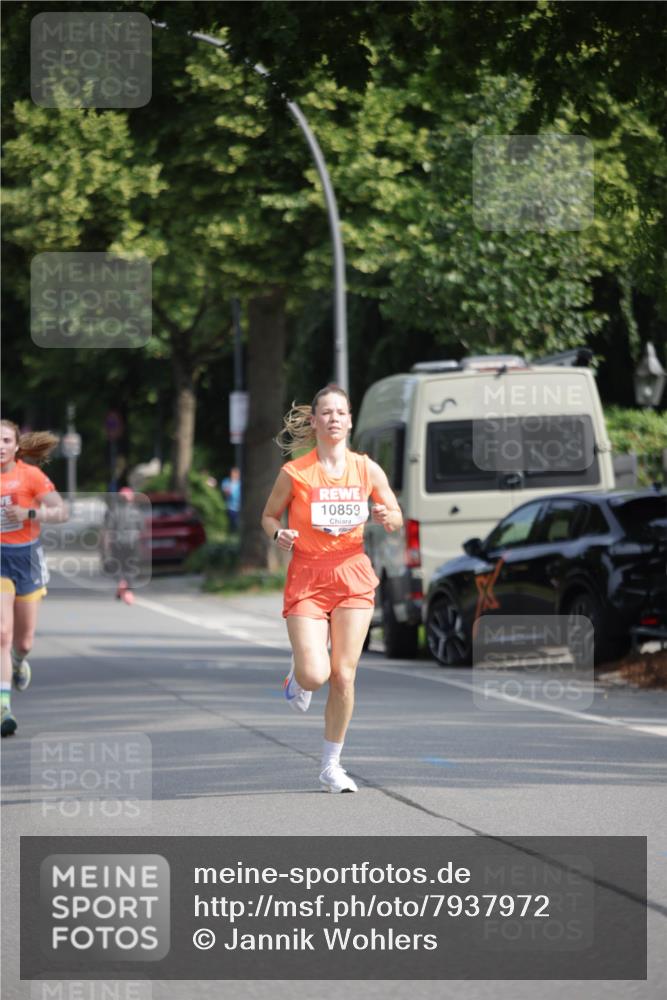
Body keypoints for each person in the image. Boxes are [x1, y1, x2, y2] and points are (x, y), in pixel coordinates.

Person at [261, 385, 403, 793]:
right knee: (315, 675)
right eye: (326, 412)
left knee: (343, 675)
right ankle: (298, 675)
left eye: (341, 412)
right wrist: (279, 534)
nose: (334, 418)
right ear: (314, 421)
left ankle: (331, 766)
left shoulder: (366, 469)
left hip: (352, 574)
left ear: (350, 420)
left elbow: (395, 515)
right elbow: (268, 516)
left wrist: (386, 515)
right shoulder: (296, 472)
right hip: (308, 575)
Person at [0, 420, 68, 737]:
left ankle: (17, 661)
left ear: (16, 446)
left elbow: (61, 512)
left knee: (24, 641)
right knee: (2, 632)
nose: (0, 446)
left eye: (5, 440)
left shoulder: (31, 476)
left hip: (27, 558)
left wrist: (29, 513)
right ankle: (4, 708)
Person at [105, 486, 144, 604]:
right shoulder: (137, 511)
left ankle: (121, 583)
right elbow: (142, 528)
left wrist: (106, 545)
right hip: (133, 543)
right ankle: (128, 591)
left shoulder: (113, 511)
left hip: (117, 543)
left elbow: (108, 529)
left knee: (118, 566)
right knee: (130, 567)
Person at [221, 467, 241, 533]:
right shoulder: (226, 481)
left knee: (238, 522)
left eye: (236, 473)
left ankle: (236, 533)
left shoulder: (241, 483)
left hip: (240, 507)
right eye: (233, 473)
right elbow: (225, 492)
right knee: (231, 523)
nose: (234, 475)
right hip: (230, 506)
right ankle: (231, 533)